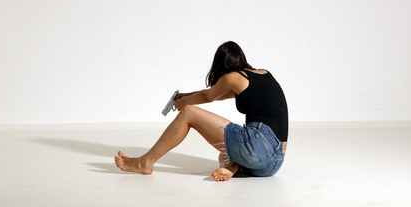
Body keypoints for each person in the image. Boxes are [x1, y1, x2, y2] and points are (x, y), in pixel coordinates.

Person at [114, 41, 289, 181]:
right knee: (224, 152)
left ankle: (145, 162)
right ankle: (232, 167)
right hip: (272, 164)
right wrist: (185, 95)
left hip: (259, 147)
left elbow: (208, 96)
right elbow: (218, 95)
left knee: (189, 112)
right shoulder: (262, 73)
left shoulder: (232, 77)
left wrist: (184, 104)